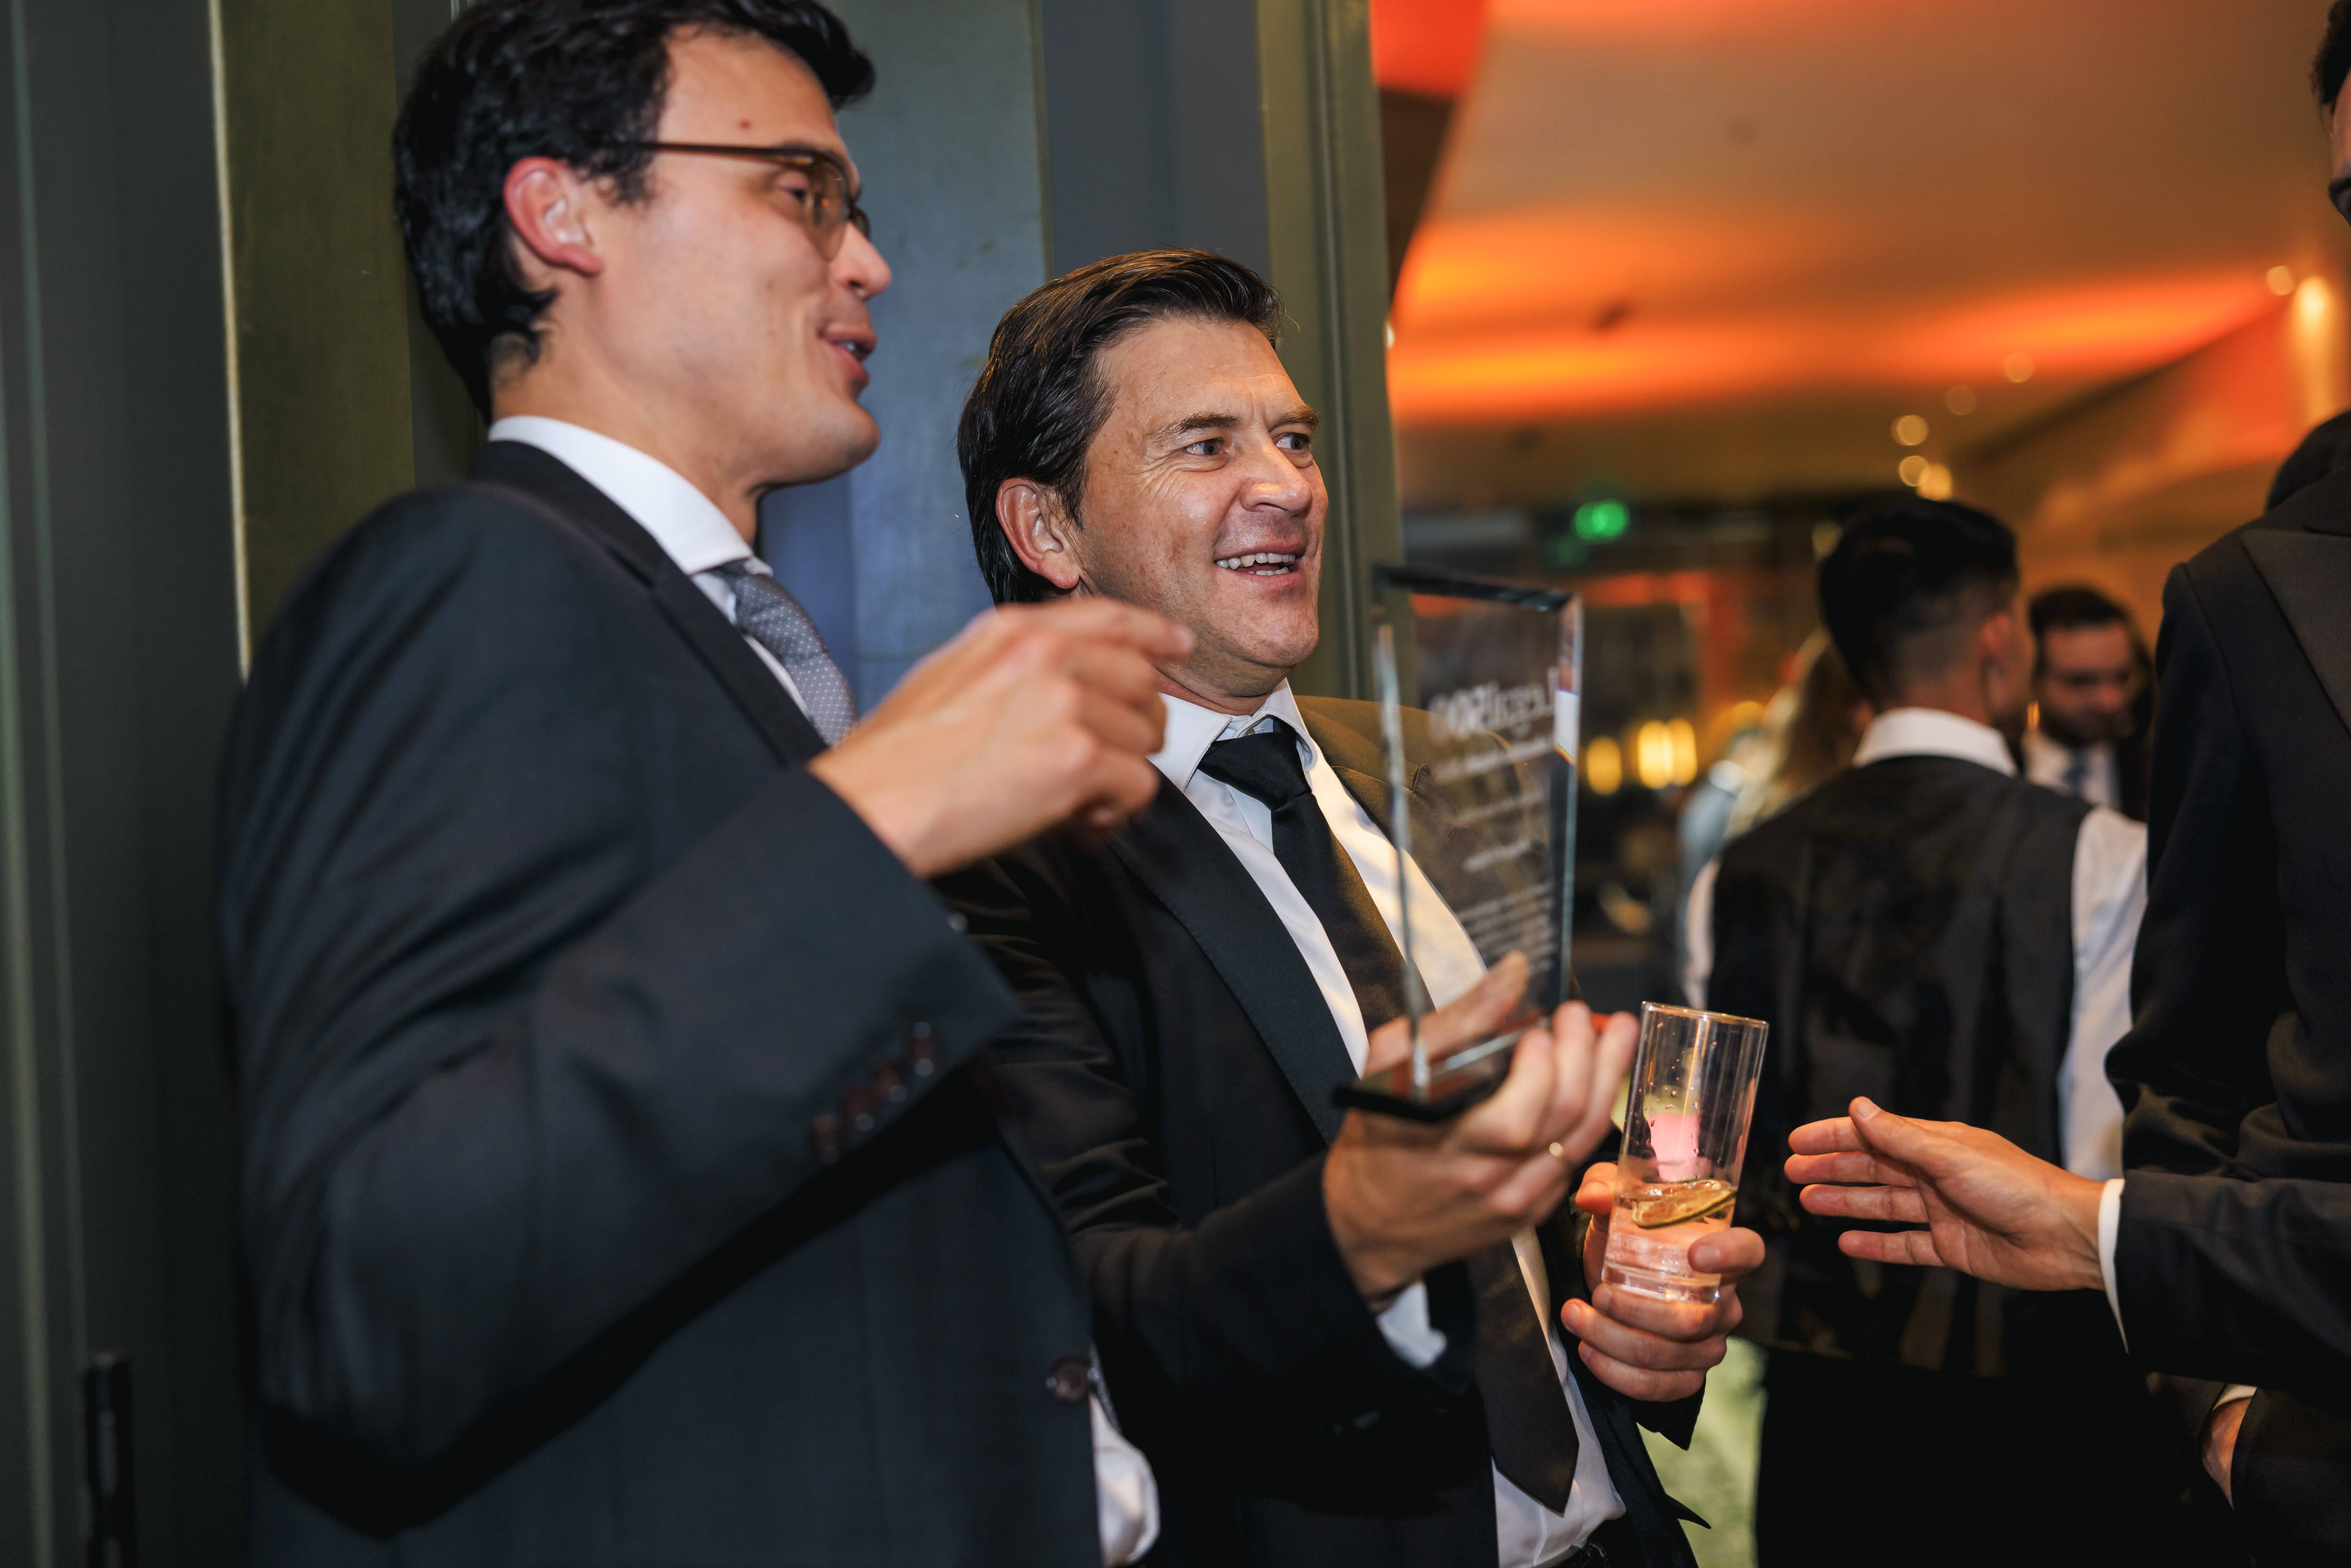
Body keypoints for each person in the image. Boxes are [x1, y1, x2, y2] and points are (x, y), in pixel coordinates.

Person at [219, 5, 1197, 1564]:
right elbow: (369, 1300)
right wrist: (876, 825)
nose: (869, 261)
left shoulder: (722, 645)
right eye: (803, 192)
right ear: (563, 213)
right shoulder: (467, 579)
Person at [940, 250, 1763, 1568]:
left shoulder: (1438, 767)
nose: (1286, 484)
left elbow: (1552, 1186)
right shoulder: (1000, 863)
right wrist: (1365, 1220)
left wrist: (1623, 1283)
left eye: (1294, 437)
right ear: (1050, 531)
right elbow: (1090, 1320)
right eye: (1205, 444)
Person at [1789, 15, 2351, 1562]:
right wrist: (2216, 1405)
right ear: (2000, 647)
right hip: (2175, 1419)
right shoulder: (2249, 608)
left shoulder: (1749, 858)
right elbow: (2177, 1082)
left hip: (1847, 1414)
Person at [1686, 498, 2172, 1568]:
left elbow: (1706, 1145)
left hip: (1820, 1412)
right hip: (2041, 1400)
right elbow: (2104, 1142)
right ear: (2000, 636)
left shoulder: (1741, 871)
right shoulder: (2100, 855)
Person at [2019, 584, 2151, 821]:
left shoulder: (2161, 772)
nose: (2110, 701)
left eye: (2122, 678)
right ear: (2032, 677)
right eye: (2082, 681)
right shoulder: (1998, 774)